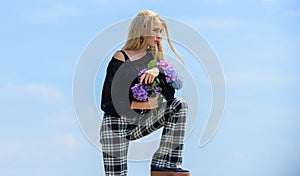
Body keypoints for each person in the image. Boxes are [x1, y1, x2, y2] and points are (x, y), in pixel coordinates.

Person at [100, 10, 190, 176]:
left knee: (179, 105)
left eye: (161, 31)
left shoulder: (154, 60)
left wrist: (158, 71)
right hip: (115, 125)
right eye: (155, 30)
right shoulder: (121, 57)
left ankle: (165, 165)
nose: (159, 36)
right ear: (142, 30)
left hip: (140, 122)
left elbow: (169, 97)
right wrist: (142, 104)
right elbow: (107, 101)